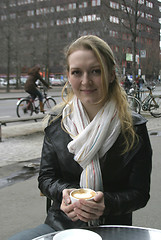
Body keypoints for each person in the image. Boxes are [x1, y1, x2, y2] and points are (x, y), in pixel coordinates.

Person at [9, 35, 152, 240]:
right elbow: (46, 179)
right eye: (77, 72)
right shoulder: (57, 122)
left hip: (113, 229)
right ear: (68, 76)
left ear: (111, 75)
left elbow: (139, 194)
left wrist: (106, 204)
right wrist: (66, 193)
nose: (86, 81)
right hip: (60, 227)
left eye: (96, 71)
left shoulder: (133, 127)